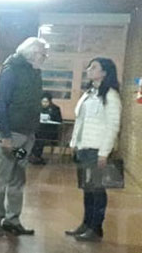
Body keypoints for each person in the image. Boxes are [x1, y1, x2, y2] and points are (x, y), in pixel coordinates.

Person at [0, 36, 47, 236]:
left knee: (18, 176)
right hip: (11, 135)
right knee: (3, 177)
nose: (44, 58)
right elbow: (1, 104)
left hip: (27, 135)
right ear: (32, 53)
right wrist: (5, 135)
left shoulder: (35, 72)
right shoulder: (11, 70)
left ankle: (12, 220)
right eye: (43, 54)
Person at [66, 57, 122, 241]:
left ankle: (96, 228)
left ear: (104, 72)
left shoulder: (110, 95)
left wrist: (104, 153)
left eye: (94, 67)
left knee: (97, 191)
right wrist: (74, 143)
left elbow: (113, 126)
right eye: (89, 66)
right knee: (87, 189)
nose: (89, 69)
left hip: (96, 150)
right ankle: (86, 223)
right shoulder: (89, 93)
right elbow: (80, 121)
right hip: (84, 147)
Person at [29, 92, 63, 164]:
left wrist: (51, 118)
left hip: (51, 131)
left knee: (40, 137)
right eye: (43, 102)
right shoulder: (38, 108)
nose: (44, 103)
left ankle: (36, 156)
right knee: (34, 136)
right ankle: (34, 156)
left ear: (50, 102)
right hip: (39, 130)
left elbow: (59, 121)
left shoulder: (55, 109)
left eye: (46, 102)